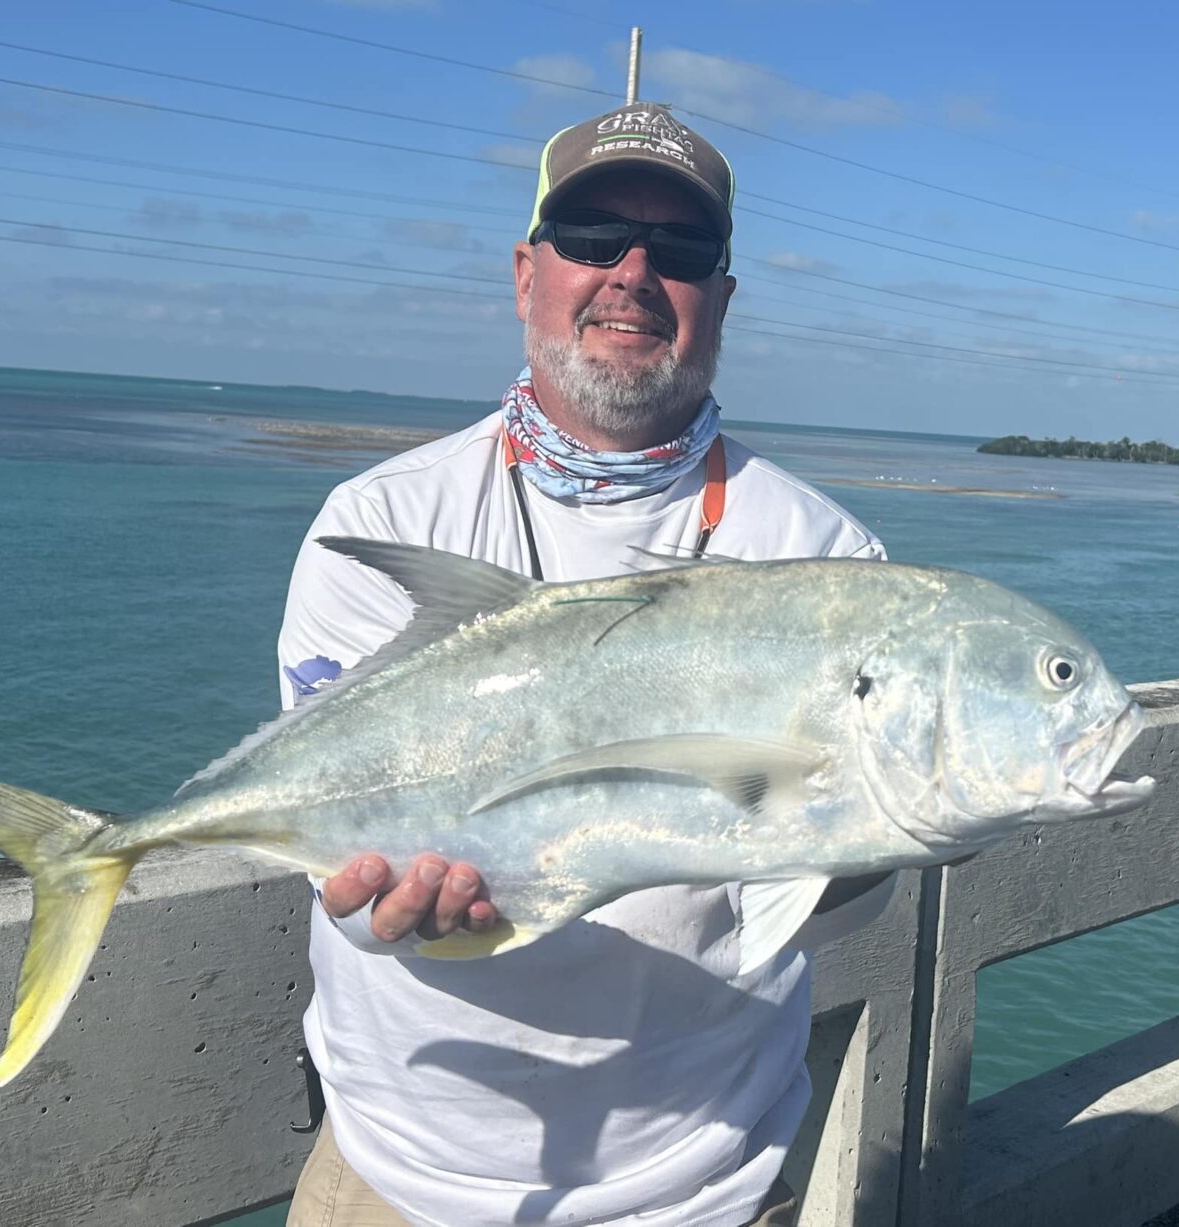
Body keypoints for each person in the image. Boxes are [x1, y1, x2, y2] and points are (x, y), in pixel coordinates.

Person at [278, 102, 893, 1227]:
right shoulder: (378, 517)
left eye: (683, 250)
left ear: (723, 298)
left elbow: (837, 893)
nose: (634, 272)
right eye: (595, 237)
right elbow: (341, 832)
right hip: (394, 1174)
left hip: (702, 1185)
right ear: (528, 274)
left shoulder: (823, 557)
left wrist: (917, 810)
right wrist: (395, 905)